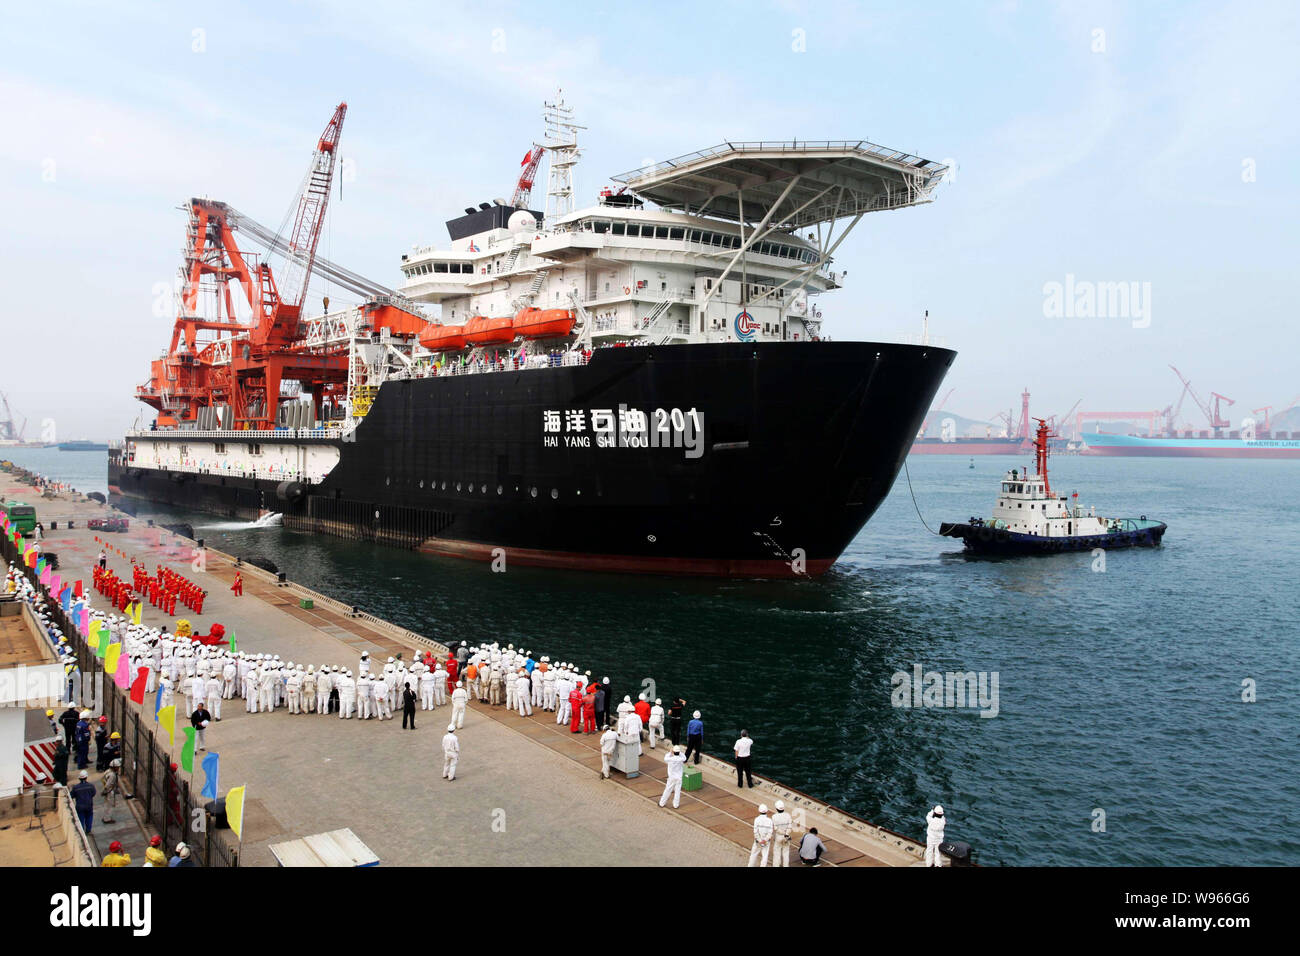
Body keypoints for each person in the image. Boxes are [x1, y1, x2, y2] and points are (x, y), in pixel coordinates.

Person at [659, 745, 686, 809]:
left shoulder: (669, 759)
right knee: (677, 791)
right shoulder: (681, 759)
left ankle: (662, 803)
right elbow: (684, 757)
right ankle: (675, 805)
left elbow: (665, 757)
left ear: (673, 752)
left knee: (667, 790)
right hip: (679, 778)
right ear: (679, 752)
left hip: (671, 778)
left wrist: (670, 752)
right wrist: (679, 752)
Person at [770, 800, 793, 867]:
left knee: (777, 853)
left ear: (776, 808)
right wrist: (786, 834)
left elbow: (776, 829)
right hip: (787, 837)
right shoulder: (788, 815)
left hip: (779, 837)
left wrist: (783, 833)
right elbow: (790, 827)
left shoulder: (774, 816)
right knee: (786, 853)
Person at [101, 758, 122, 823]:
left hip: (107, 790)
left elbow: (102, 779)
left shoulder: (107, 771)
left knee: (106, 804)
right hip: (109, 791)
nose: (118, 768)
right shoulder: (112, 775)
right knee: (109, 805)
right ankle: (107, 819)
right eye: (117, 767)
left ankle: (105, 817)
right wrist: (105, 790)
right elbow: (108, 784)